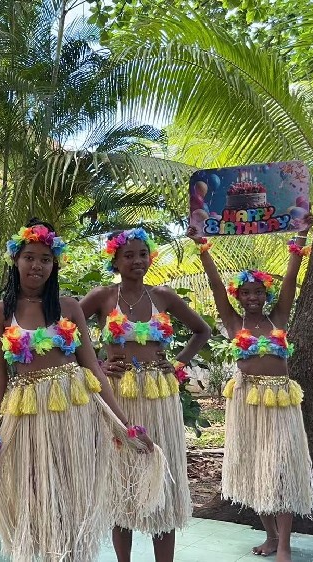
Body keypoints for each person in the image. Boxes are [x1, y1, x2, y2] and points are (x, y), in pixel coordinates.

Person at [0, 219, 158, 562]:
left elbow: (93, 369)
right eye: (30, 257)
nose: (37, 265)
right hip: (27, 415)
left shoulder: (69, 307)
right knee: (36, 496)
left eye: (46, 259)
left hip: (73, 410)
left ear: (54, 263)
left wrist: (125, 424)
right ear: (16, 260)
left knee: (73, 498)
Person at [80, 228, 211, 562]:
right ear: (116, 260)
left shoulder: (163, 296)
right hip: (119, 396)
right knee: (121, 479)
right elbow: (63, 330)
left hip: (159, 397)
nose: (138, 261)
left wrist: (178, 363)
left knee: (161, 480)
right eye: (129, 255)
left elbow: (202, 330)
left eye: (142, 254)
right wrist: (95, 362)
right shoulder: (102, 296)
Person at [187, 218, 313, 562]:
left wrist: (300, 234)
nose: (253, 297)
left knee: (282, 468)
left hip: (281, 400)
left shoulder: (279, 318)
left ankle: (285, 544)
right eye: (247, 292)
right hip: (246, 400)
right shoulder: (233, 322)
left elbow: (290, 279)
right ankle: (271, 536)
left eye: (258, 291)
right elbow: (214, 285)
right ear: (238, 296)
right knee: (254, 466)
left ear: (266, 294)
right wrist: (202, 245)